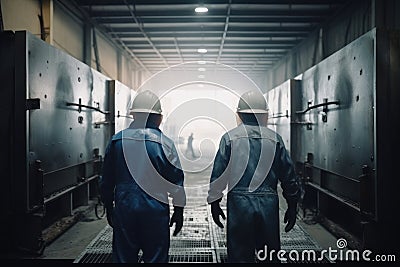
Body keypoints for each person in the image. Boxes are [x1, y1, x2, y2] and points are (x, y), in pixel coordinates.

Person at [207, 90, 302, 263]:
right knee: (269, 256)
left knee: (239, 256)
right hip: (268, 204)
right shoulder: (276, 139)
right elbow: (289, 177)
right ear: (265, 114)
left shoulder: (229, 138)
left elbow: (219, 174)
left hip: (239, 205)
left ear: (239, 114)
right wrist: (293, 204)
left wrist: (214, 201)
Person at [100, 90, 186, 263]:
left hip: (125, 207)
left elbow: (107, 179)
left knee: (124, 257)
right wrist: (179, 210)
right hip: (155, 209)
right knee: (156, 256)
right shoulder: (165, 144)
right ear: (158, 118)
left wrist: (109, 206)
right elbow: (175, 181)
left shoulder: (117, 141)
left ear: (134, 115)